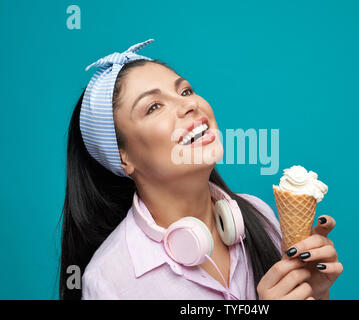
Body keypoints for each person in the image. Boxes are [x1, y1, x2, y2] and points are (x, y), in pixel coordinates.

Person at [58, 39, 343, 300]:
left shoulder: (260, 215)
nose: (188, 105)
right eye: (154, 106)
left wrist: (314, 293)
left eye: (185, 91)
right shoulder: (109, 281)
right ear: (123, 157)